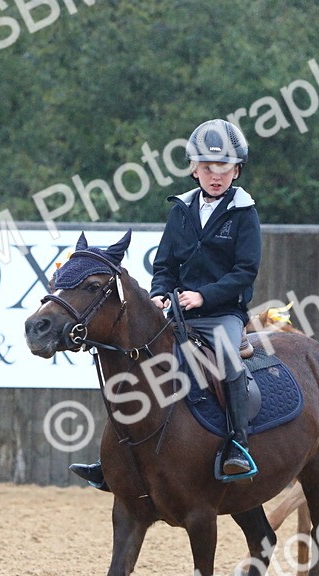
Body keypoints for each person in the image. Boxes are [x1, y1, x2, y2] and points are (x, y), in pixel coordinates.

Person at [71, 118, 262, 490]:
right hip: (176, 311)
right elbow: (164, 265)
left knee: (228, 363)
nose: (216, 176)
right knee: (134, 364)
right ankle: (116, 457)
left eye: (224, 169)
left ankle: (237, 444)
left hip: (223, 314)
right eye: (208, 168)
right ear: (194, 170)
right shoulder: (180, 210)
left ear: (236, 170)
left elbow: (245, 272)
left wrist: (205, 295)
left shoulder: (244, 213)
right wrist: (160, 292)